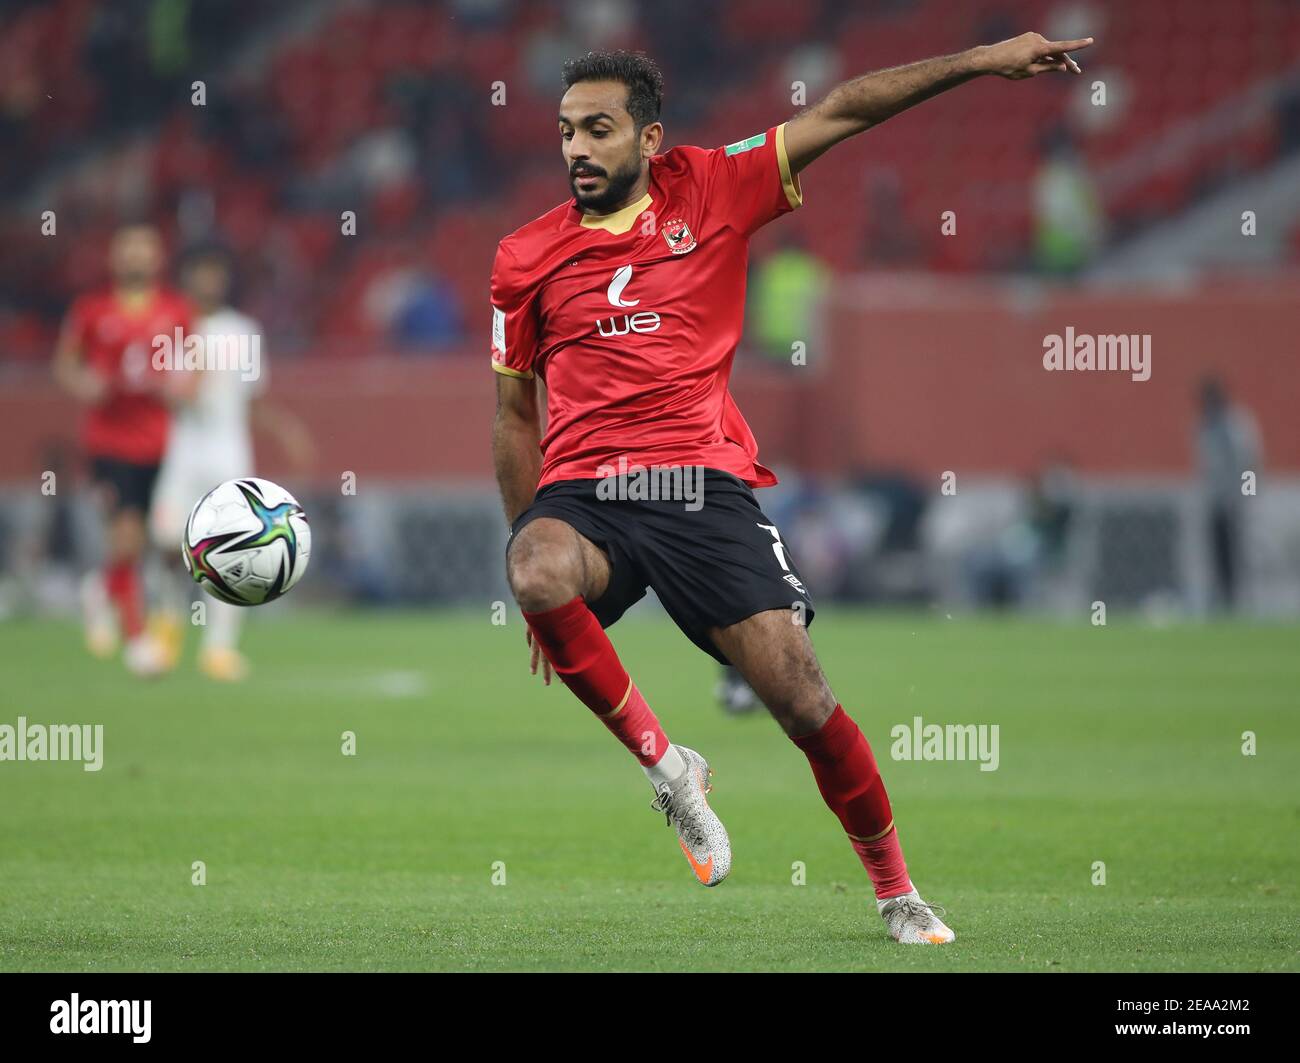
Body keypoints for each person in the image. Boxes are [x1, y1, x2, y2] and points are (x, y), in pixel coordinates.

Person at [491, 34, 1093, 945]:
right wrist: (529, 540)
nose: (578, 149)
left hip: (702, 487)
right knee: (533, 568)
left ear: (649, 139)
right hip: (586, 494)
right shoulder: (523, 256)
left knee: (801, 695)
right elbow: (511, 415)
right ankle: (670, 771)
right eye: (568, 131)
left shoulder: (714, 186)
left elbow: (844, 110)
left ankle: (898, 892)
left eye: (600, 130)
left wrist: (975, 62)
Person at [150, 244, 314, 680]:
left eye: (215, 272)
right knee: (168, 544)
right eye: (201, 271)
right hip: (183, 451)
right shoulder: (170, 326)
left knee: (232, 546)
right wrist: (183, 381)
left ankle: (219, 648)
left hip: (227, 452)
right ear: (187, 277)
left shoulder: (242, 331)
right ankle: (167, 628)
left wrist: (285, 430)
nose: (209, 281)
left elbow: (252, 398)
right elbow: (162, 393)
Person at [53, 224, 193, 675]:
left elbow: (190, 369)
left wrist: (178, 387)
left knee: (166, 542)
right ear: (115, 259)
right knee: (128, 535)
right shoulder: (92, 310)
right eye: (127, 249)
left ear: (157, 258)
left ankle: (100, 589)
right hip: (111, 443)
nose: (135, 257)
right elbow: (66, 364)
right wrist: (85, 385)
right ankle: (137, 639)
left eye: (144, 249)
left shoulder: (176, 311)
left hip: (164, 443)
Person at [1195, 377, 1261, 611]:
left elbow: (1249, 463)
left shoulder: (1236, 426)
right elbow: (1206, 468)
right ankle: (1220, 601)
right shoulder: (1204, 427)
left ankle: (1243, 602)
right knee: (1217, 555)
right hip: (1215, 503)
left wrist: (1246, 497)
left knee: (1239, 555)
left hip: (1237, 504)